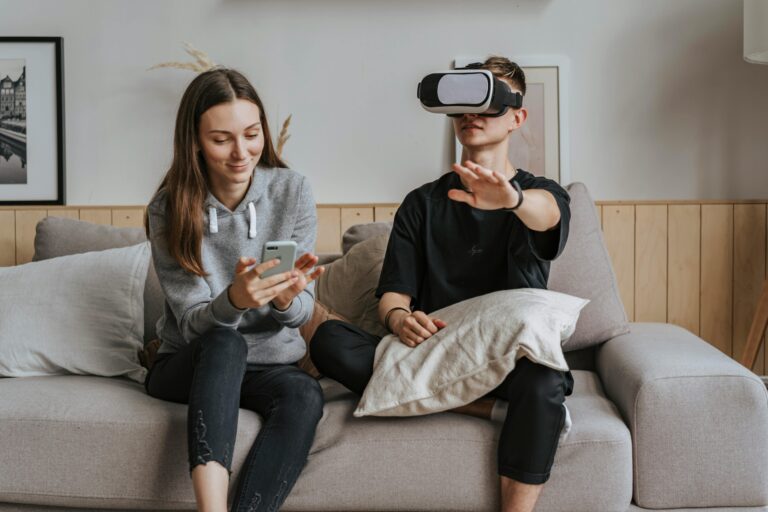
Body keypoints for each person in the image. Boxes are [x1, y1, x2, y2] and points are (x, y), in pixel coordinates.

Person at [309, 56, 573, 512]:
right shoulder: (422, 203)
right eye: (463, 103)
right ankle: (486, 408)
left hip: (514, 357)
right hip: (436, 354)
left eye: (488, 102)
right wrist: (398, 318)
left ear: (517, 117)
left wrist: (508, 199)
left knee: (545, 379)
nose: (472, 114)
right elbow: (394, 293)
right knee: (329, 342)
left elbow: (546, 214)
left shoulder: (537, 194)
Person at [143, 67, 325, 512]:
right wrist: (235, 301)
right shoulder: (169, 208)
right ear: (195, 142)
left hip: (267, 366)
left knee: (304, 393)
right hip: (188, 363)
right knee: (223, 341)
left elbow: (302, 311)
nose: (242, 152)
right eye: (222, 139)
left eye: (251, 134)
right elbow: (189, 325)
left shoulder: (293, 191)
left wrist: (286, 298)